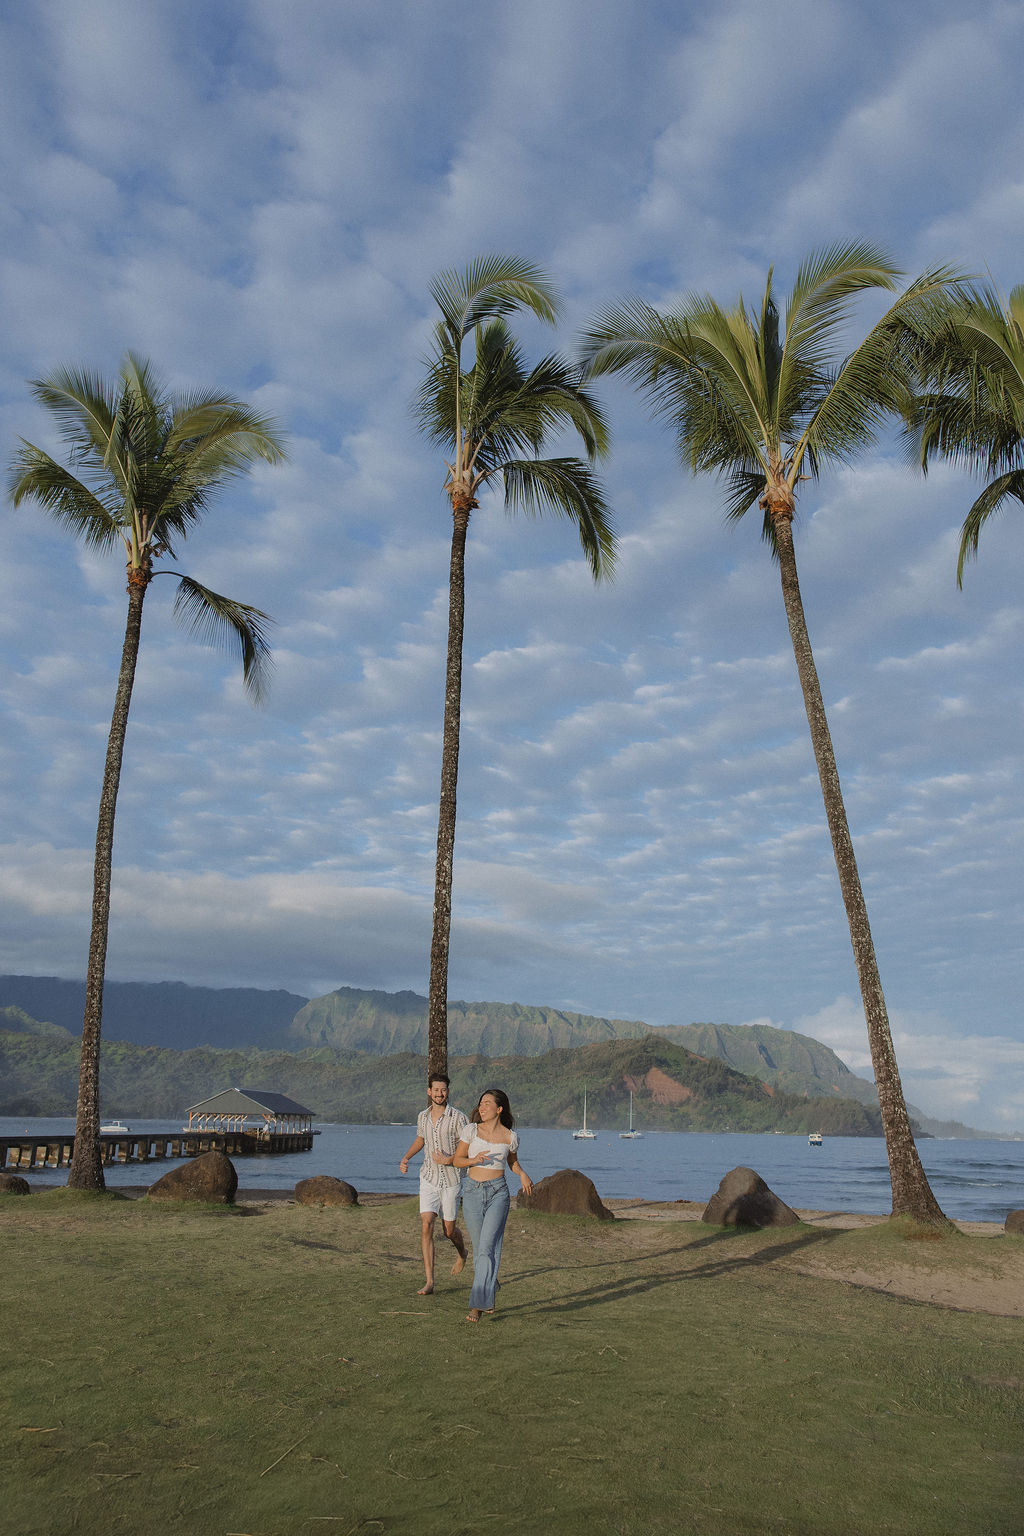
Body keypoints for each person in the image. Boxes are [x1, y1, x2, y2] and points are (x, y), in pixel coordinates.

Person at [453, 1088, 533, 1322]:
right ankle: (490, 1286)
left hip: (498, 1193)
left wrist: (522, 1174)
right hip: (472, 1193)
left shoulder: (510, 1137)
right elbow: (457, 1160)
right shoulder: (471, 1131)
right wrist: (474, 1160)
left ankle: (477, 1306)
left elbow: (513, 1164)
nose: (482, 1106)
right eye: (480, 1103)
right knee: (481, 1251)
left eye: (487, 1103)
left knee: (487, 1249)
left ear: (499, 1109)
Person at [399, 1073, 469, 1295]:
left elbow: (466, 1147)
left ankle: (462, 1253)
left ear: (448, 1091)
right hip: (428, 1177)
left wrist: (448, 1160)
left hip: (451, 1179)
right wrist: (406, 1157)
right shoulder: (422, 1116)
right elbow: (421, 1139)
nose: (440, 1093)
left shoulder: (459, 1118)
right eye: (436, 1090)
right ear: (429, 1091)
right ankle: (429, 1281)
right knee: (426, 1223)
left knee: (449, 1231)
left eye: (444, 1090)